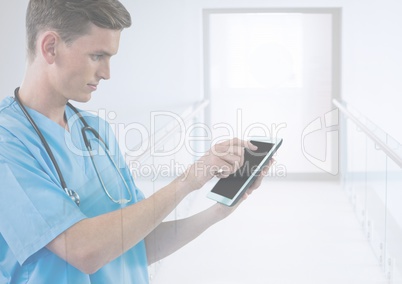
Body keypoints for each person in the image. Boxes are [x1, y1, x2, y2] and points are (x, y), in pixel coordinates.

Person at [0, 0, 271, 283]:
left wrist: (218, 212)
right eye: (97, 56)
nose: (106, 73)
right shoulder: (8, 143)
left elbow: (138, 244)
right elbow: (84, 251)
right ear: (50, 47)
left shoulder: (95, 131)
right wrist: (190, 179)